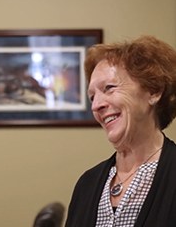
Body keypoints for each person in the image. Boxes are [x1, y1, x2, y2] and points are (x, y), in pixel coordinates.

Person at [65, 36, 176, 226]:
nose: (96, 105)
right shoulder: (87, 184)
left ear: (154, 91)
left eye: (109, 88)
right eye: (92, 97)